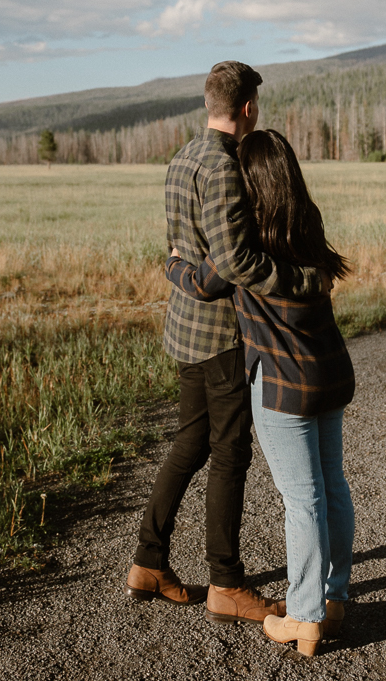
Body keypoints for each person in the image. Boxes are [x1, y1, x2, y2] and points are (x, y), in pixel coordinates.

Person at [125, 63, 325, 623]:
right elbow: (234, 260)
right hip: (221, 337)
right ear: (248, 109)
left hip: (184, 330)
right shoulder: (224, 167)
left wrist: (179, 274)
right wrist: (301, 282)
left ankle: (148, 558)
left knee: (190, 442)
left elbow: (180, 245)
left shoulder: (182, 157)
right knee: (230, 455)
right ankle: (227, 584)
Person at [165, 129, 354, 658]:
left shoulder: (248, 243)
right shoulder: (305, 222)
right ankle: (333, 599)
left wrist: (173, 264)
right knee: (332, 486)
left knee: (303, 500)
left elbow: (208, 281)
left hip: (282, 382)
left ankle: (304, 616)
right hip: (330, 373)